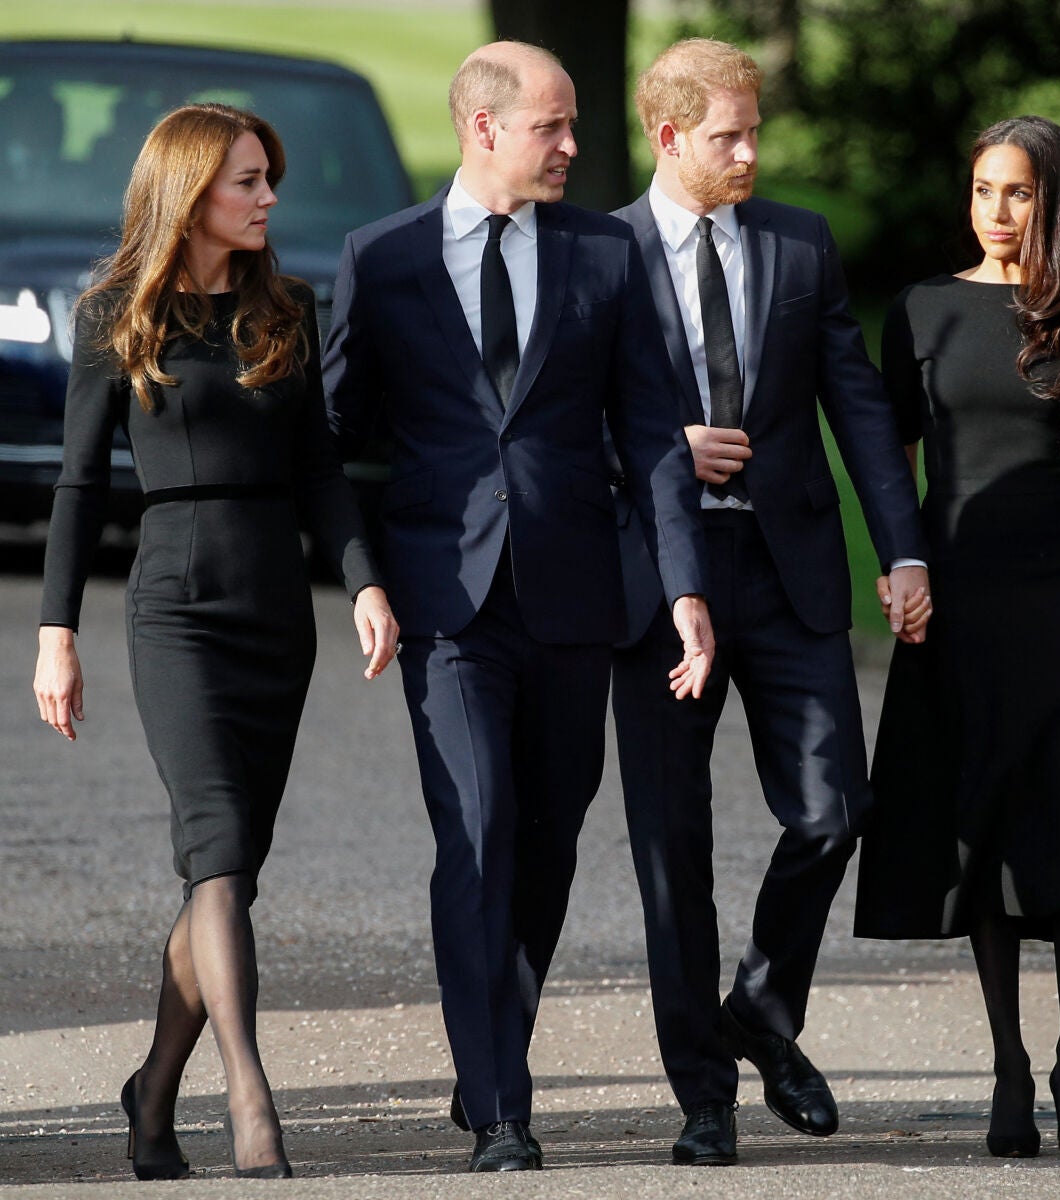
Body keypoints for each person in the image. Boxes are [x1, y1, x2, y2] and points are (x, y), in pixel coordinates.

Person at [322, 41, 714, 1173]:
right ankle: (502, 1104)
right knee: (479, 832)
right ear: (483, 127)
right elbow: (338, 442)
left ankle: (490, 1040)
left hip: (575, 595)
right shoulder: (383, 258)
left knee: (546, 842)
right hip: (444, 600)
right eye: (554, 126)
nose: (576, 148)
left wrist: (683, 584)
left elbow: (650, 432)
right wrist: (357, 574)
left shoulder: (603, 251)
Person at [33, 103, 399, 1181]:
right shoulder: (117, 315)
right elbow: (79, 485)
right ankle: (251, 1097)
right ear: (192, 192)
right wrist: (57, 634)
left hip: (273, 612)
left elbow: (322, 470)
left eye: (267, 179)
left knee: (222, 876)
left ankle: (150, 1097)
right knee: (220, 844)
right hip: (174, 608)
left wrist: (364, 582)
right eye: (249, 180)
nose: (268, 198)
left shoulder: (286, 306)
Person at [608, 38, 931, 1166]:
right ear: (667, 136)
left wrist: (905, 550)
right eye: (726, 136)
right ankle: (704, 1095)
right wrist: (662, 449)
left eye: (755, 130)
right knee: (672, 850)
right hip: (660, 582)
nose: (750, 152)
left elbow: (856, 404)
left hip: (790, 573)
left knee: (834, 808)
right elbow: (563, 421)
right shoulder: (603, 252)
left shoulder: (800, 243)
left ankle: (758, 1009)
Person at [854, 115, 1060, 1159]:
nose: (999, 210)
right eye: (985, 189)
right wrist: (896, 565)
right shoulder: (919, 312)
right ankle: (1007, 1067)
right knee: (980, 820)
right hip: (959, 598)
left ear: (1056, 202)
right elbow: (888, 460)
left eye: (1021, 192)